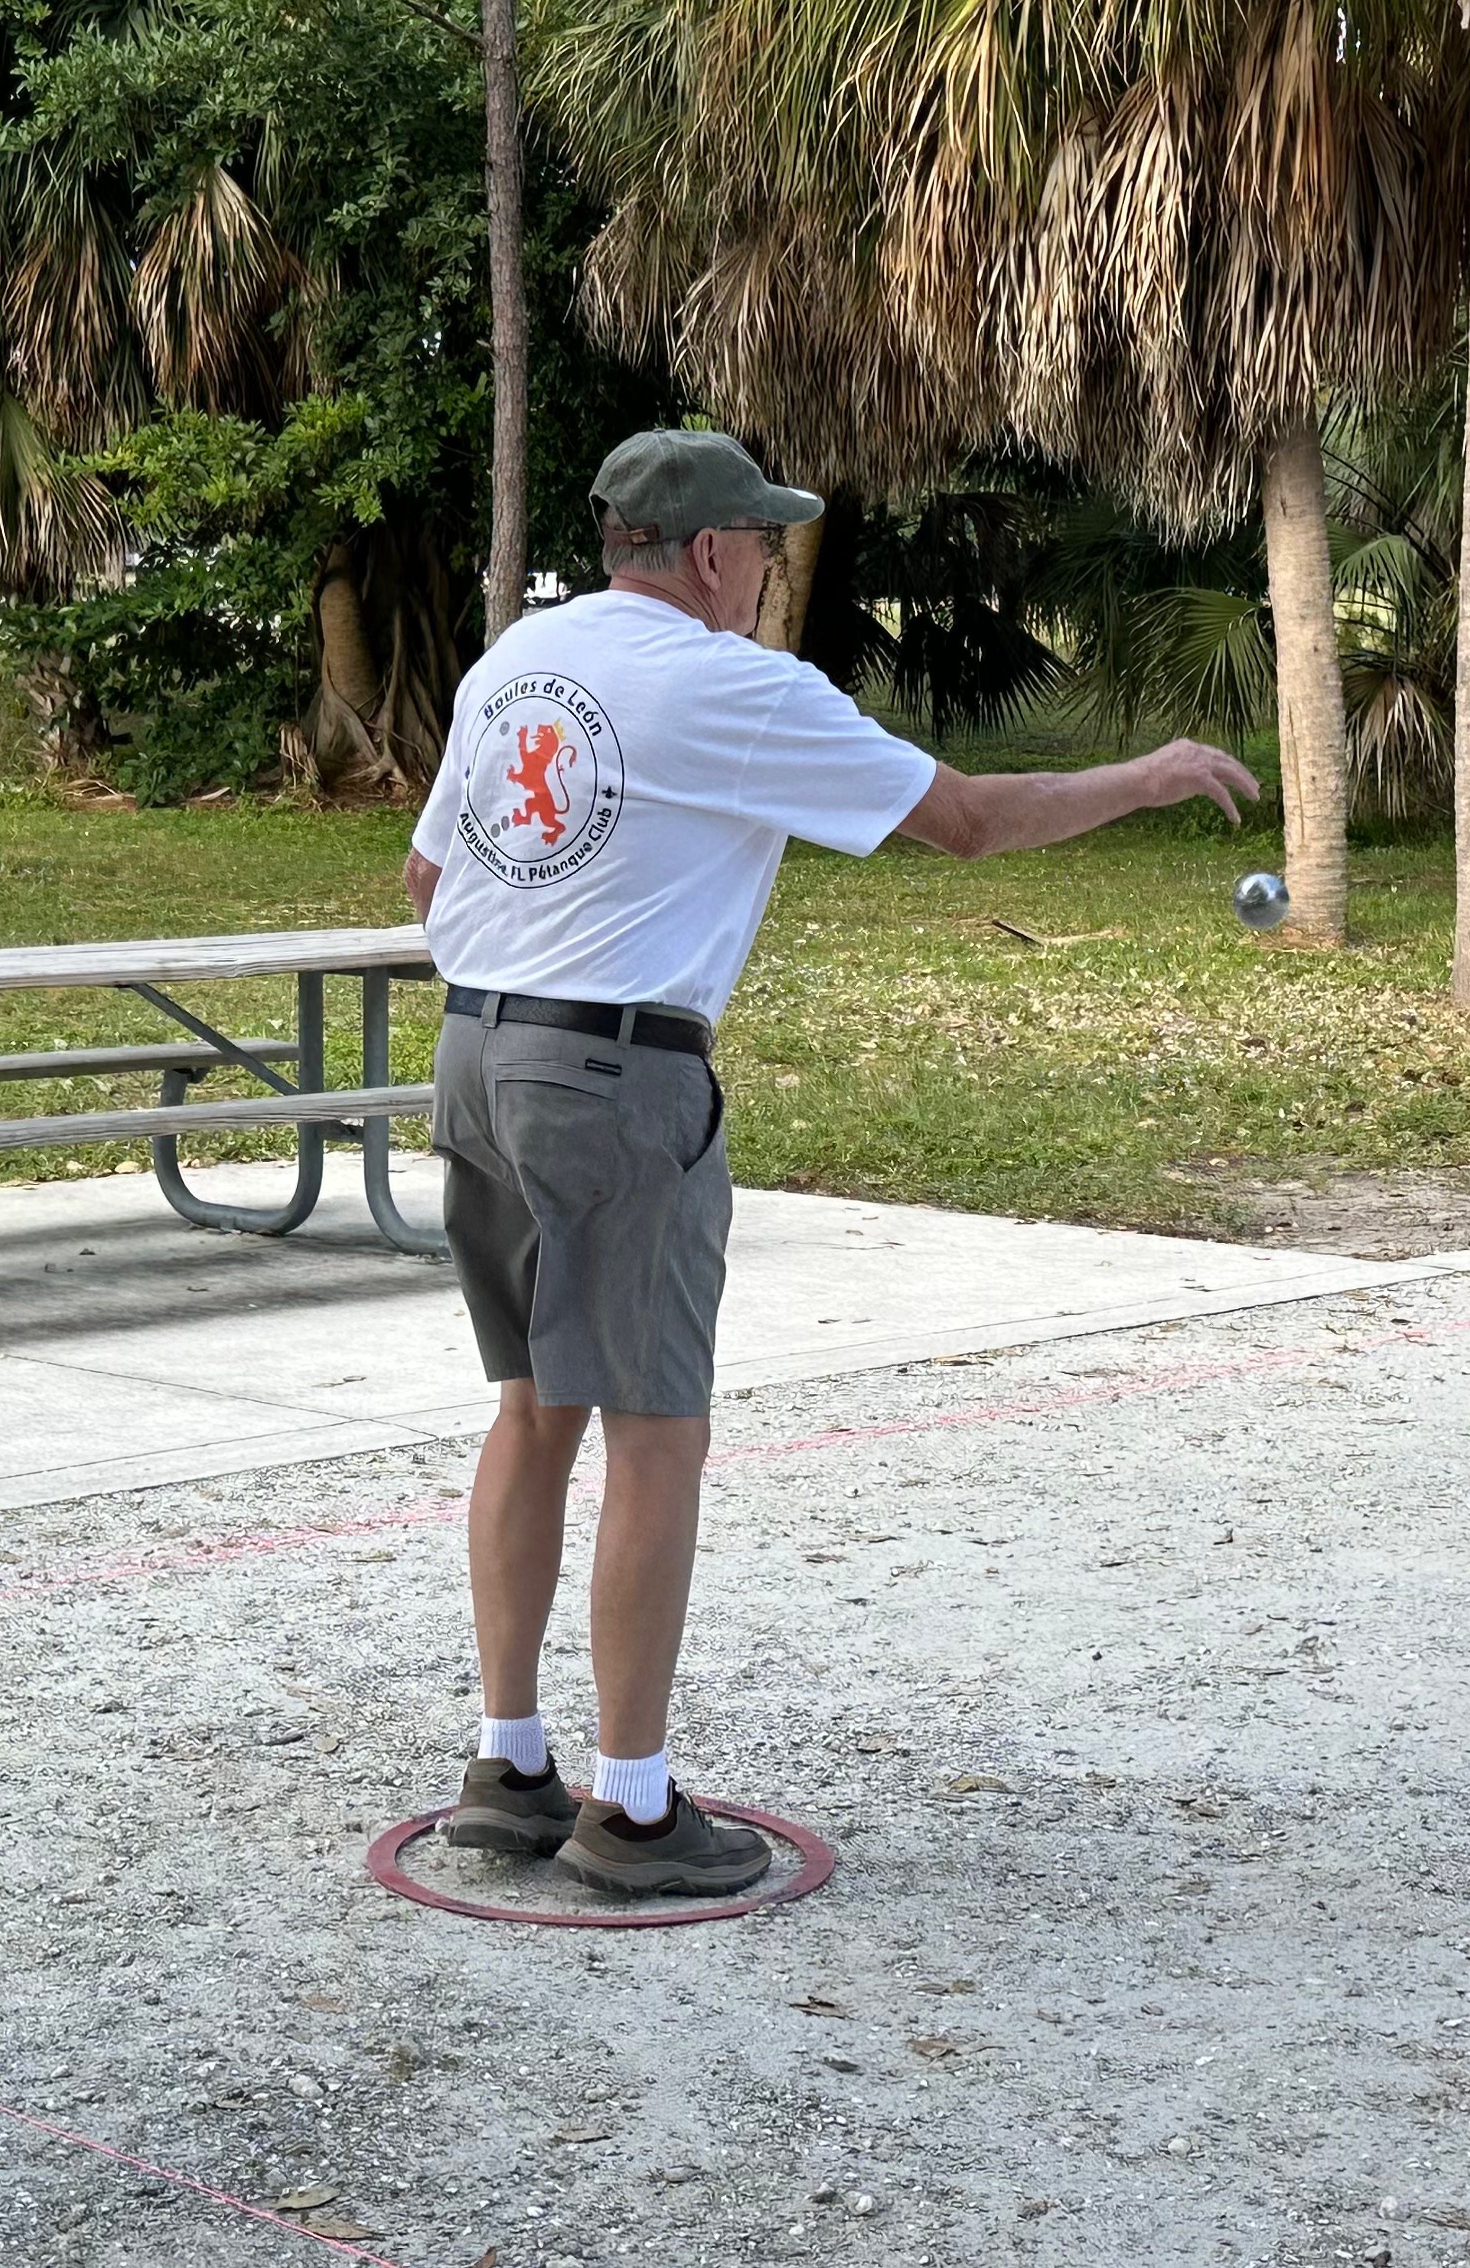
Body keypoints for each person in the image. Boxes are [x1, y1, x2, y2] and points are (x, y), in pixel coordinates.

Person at [405, 430, 1261, 1895]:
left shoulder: (517, 664)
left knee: (532, 1409)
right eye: (764, 546)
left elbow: (429, 875)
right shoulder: (729, 682)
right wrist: (1154, 774)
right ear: (711, 554)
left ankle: (509, 1766)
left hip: (475, 1052)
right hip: (611, 1071)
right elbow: (968, 822)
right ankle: (634, 1813)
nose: (769, 572)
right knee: (654, 1429)